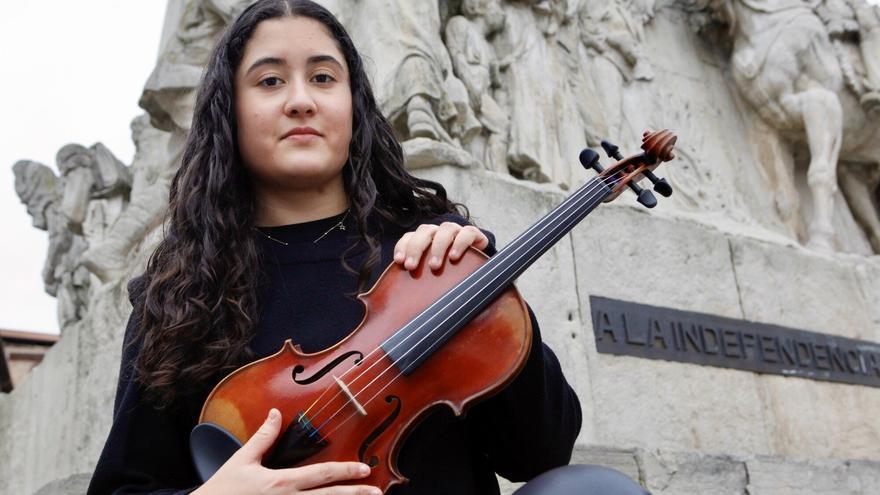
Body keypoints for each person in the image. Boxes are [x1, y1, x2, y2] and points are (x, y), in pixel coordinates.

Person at [87, 1, 581, 494]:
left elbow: (540, 453)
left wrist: (490, 290)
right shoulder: (180, 292)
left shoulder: (429, 258)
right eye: (270, 81)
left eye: (323, 78)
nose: (301, 101)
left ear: (353, 104)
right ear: (230, 111)